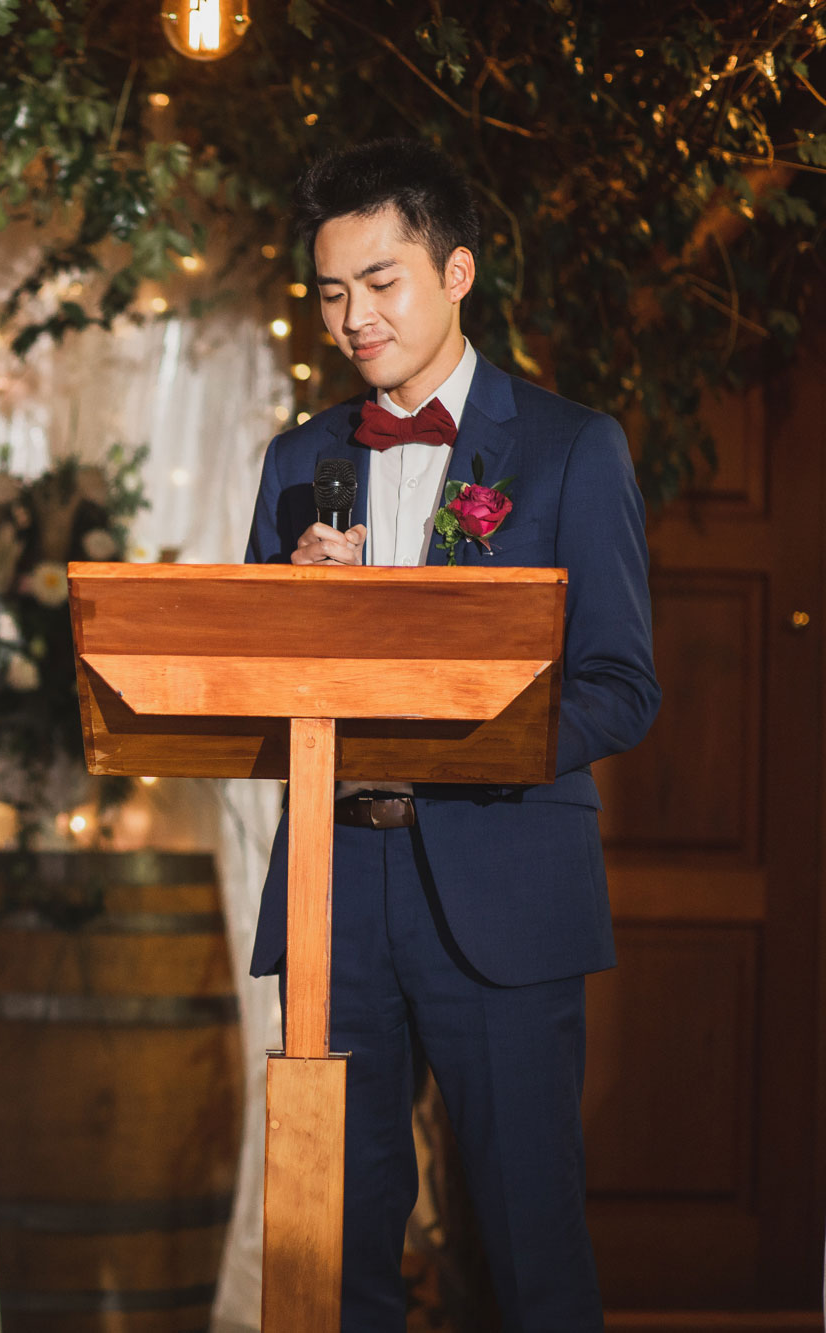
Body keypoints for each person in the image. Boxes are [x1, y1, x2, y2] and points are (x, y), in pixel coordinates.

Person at [243, 139, 660, 1328]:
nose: (352, 318)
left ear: (457, 271)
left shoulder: (571, 446)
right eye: (329, 292)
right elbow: (248, 685)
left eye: (380, 283)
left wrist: (466, 741)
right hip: (335, 892)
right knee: (334, 1249)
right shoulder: (296, 460)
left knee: (529, 1246)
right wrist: (296, 613)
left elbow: (621, 686)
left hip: (504, 888)